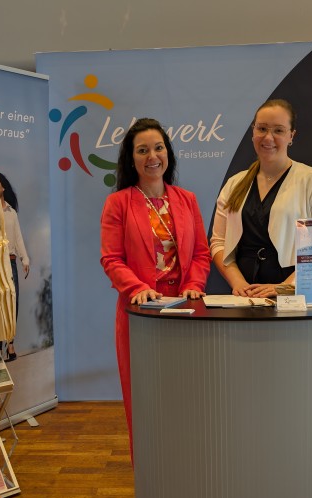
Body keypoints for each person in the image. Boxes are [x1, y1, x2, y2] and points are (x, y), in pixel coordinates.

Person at [100, 118, 211, 458]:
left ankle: (187, 460)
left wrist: (193, 284)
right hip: (141, 314)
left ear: (168, 153)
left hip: (186, 311)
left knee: (187, 391)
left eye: (158, 148)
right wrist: (136, 288)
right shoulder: (118, 203)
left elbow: (202, 254)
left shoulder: (187, 199)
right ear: (131, 159)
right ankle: (148, 467)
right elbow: (112, 259)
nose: (152, 156)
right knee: (144, 395)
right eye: (143, 150)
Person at [211, 99, 312, 297]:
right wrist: (238, 283)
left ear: (291, 136)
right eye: (262, 128)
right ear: (253, 132)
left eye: (278, 130)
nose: (268, 137)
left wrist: (284, 287)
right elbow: (219, 242)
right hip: (245, 296)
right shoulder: (234, 183)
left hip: (296, 295)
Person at [0, 171, 30, 362]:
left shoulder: (11, 212)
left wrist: (25, 259)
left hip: (11, 260)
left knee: (13, 304)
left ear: (3, 186)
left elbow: (18, 237)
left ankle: (11, 344)